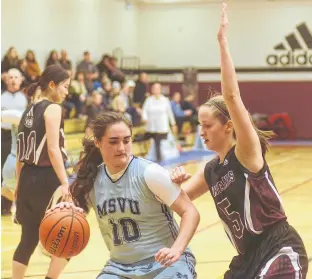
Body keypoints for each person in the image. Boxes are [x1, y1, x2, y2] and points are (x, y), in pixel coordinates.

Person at [170, 3, 308, 279]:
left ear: (229, 125)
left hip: (279, 249)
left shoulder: (246, 153)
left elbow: (232, 96)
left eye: (207, 125)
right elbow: (179, 202)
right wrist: (171, 183)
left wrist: (222, 42)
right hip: (246, 259)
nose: (202, 131)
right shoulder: (211, 170)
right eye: (200, 125)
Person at [55, 111, 199, 279]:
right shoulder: (91, 180)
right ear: (98, 142)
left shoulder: (149, 173)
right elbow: (72, 212)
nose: (122, 148)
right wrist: (66, 210)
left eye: (126, 140)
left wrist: (177, 249)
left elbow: (191, 212)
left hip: (166, 264)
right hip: (119, 268)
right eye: (113, 142)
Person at [13, 65, 72, 279]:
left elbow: (20, 153)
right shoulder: (53, 108)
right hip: (47, 180)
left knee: (27, 239)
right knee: (68, 237)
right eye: (65, 86)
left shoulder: (28, 109)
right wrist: (65, 182)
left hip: (27, 177)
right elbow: (53, 149)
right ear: (52, 85)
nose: (67, 91)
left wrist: (19, 183)